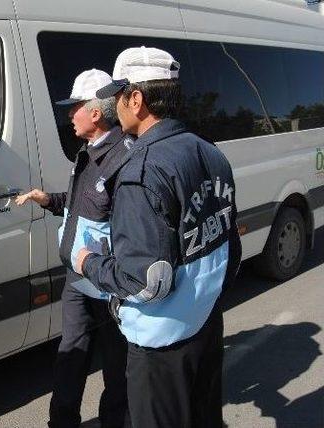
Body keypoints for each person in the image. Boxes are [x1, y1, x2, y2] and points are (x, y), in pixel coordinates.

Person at [74, 47, 242, 428]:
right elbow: (229, 246)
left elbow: (142, 280)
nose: (114, 106)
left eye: (118, 96)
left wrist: (87, 261)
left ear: (137, 99)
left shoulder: (142, 169)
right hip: (206, 325)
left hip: (160, 342)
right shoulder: (209, 151)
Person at [16, 69, 133, 428]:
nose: (69, 115)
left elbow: (129, 223)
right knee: (70, 356)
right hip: (78, 280)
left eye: (74, 108)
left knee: (117, 366)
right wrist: (49, 200)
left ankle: (115, 422)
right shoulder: (88, 151)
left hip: (110, 285)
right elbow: (84, 203)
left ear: (96, 113)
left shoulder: (125, 158)